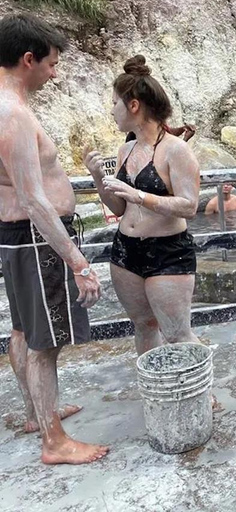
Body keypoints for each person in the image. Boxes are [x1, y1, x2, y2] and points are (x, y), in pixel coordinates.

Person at [0, 14, 106, 465]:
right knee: (46, 342)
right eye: (52, 64)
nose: (55, 73)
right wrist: (79, 262)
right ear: (29, 59)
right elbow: (34, 199)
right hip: (35, 238)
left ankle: (36, 416)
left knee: (24, 330)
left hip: (17, 238)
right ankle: (54, 441)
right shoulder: (13, 112)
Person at [83, 55, 202, 357]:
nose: (111, 111)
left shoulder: (176, 150)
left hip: (167, 252)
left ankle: (202, 395)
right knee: (144, 325)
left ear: (133, 105)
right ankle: (154, 394)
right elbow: (119, 209)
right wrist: (99, 178)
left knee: (177, 333)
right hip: (125, 251)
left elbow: (189, 206)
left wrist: (139, 196)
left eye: (114, 103)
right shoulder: (126, 148)